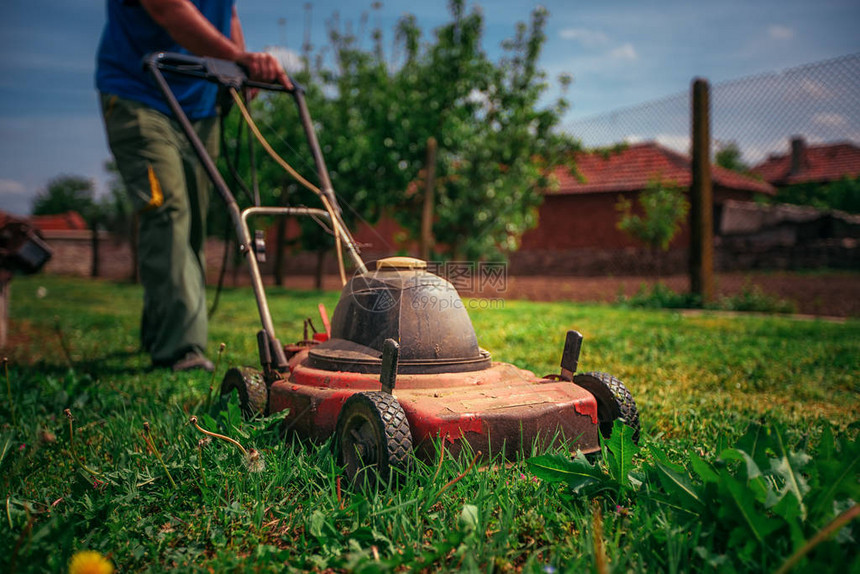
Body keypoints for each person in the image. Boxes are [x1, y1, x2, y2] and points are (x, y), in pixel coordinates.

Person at [96, 0, 291, 371]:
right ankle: (179, 349)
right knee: (168, 212)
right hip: (141, 91)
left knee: (194, 226)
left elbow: (227, 11)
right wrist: (238, 56)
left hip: (201, 104)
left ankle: (161, 331)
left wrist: (239, 68)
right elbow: (166, 7)